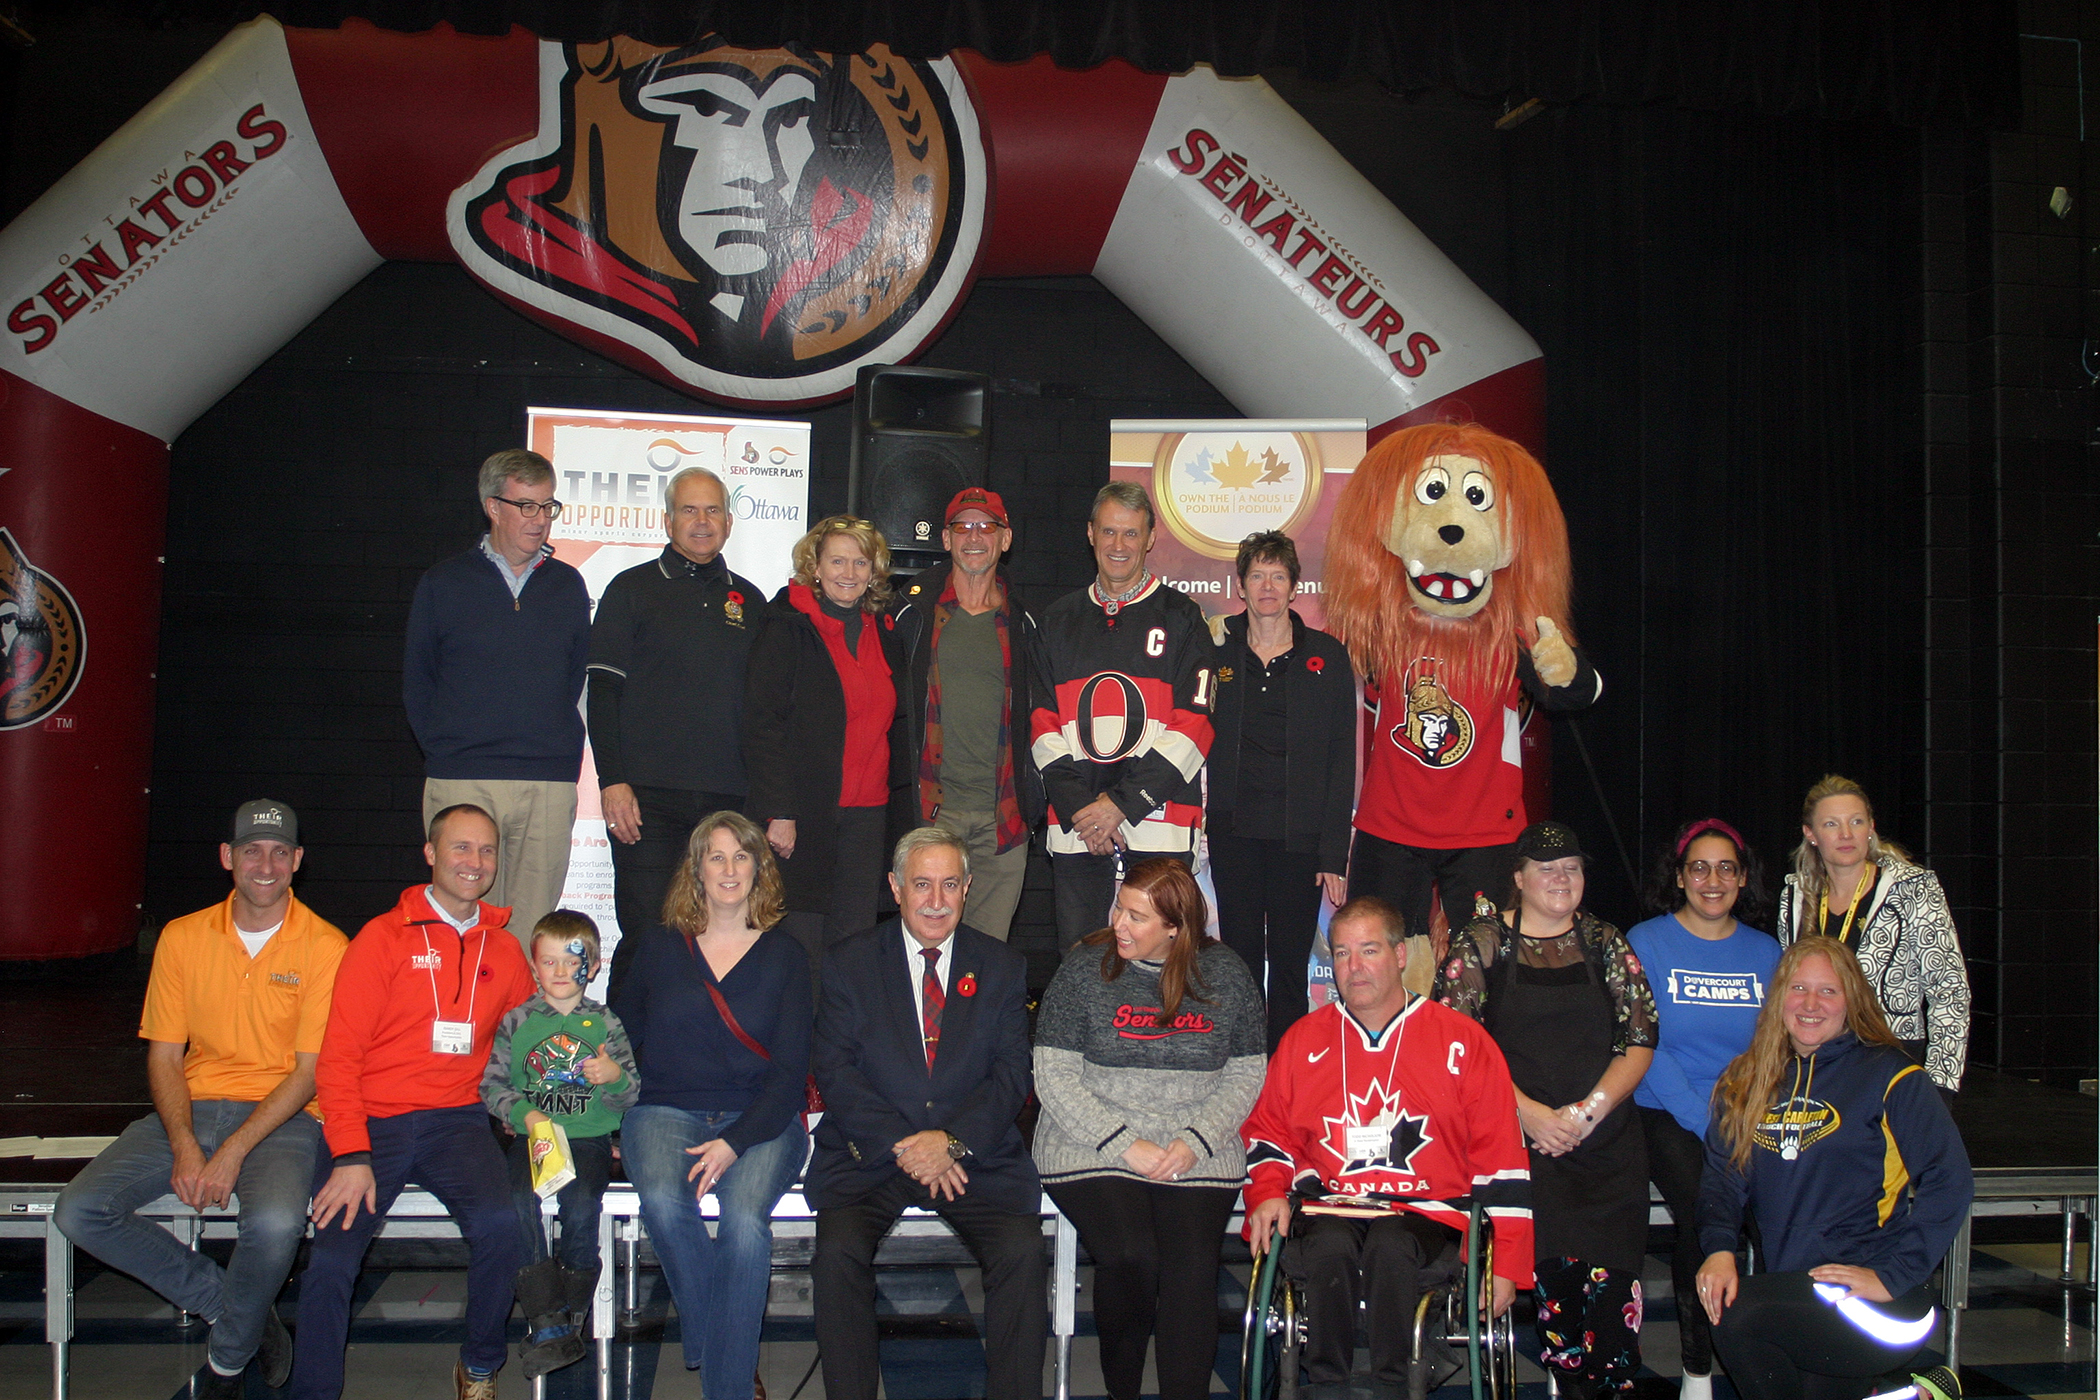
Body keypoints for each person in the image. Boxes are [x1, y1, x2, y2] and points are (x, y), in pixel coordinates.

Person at [55, 801, 347, 1399]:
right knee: (78, 1210)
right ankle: (238, 1308)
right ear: (227, 857)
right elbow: (163, 1057)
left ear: (297, 861)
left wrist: (234, 1150)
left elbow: (309, 1073)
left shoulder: (326, 945)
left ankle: (225, 1363)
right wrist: (186, 1144)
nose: (264, 864)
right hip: (187, 1111)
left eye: (278, 852)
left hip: (281, 1120)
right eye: (250, 850)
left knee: (274, 1222)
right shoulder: (183, 936)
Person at [291, 804, 537, 1400]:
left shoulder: (504, 952)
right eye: (460, 848)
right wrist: (350, 1154)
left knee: (503, 1230)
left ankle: (479, 1366)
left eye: (485, 851)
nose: (474, 863)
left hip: (457, 1123)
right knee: (330, 1261)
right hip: (374, 1122)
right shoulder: (380, 939)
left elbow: (527, 1052)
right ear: (430, 853)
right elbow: (339, 1059)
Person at [1240, 897, 1532, 1389]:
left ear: (1400, 956)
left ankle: (1396, 1386)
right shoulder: (1303, 1039)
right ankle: (1326, 1386)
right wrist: (1268, 1190)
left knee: (1392, 1247)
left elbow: (1501, 1157)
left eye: (1369, 950)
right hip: (1330, 1207)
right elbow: (1269, 1132)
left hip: (1428, 1214)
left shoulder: (1460, 1039)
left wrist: (1505, 1262)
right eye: (1341, 953)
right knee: (1330, 1247)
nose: (1353, 968)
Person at [810, 828, 1046, 1400]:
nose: (936, 900)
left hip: (970, 1159)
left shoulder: (1003, 966)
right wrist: (907, 1145)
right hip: (873, 1158)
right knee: (837, 1254)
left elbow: (1012, 1074)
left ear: (968, 888)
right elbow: (836, 1071)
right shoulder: (848, 964)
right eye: (921, 884)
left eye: (949, 884)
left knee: (1022, 1254)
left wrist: (952, 1142)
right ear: (895, 887)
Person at [1434, 821, 1657, 1399]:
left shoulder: (1607, 941)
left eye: (1572, 868)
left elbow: (1640, 1040)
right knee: (1561, 1323)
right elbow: (1455, 1047)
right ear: (1518, 878)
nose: (1562, 879)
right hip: (1522, 1157)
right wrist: (1528, 1114)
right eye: (1547, 869)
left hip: (1606, 1152)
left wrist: (1587, 1114)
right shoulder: (1481, 944)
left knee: (1614, 1325)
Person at [1695, 937, 1973, 1400]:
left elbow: (1951, 1180)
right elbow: (1721, 1182)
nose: (1810, 1004)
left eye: (1828, 991)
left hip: (1877, 1300)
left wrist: (1893, 1275)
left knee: (1738, 1313)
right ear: (1778, 997)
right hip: (1798, 1296)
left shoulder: (1892, 1075)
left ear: (1852, 1001)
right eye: (1798, 988)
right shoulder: (1746, 1080)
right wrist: (1719, 1249)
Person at [1032, 859, 1266, 1400]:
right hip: (1088, 1141)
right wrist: (1123, 1144)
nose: (1119, 924)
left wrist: (1197, 1141)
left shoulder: (1226, 972)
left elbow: (1247, 1070)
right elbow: (1053, 1074)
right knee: (1132, 1255)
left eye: (1137, 917)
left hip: (1196, 1144)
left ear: (1176, 929)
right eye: (1120, 907)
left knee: (1190, 1265)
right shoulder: (1085, 966)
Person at [610, 811, 811, 1400]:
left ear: (759, 868)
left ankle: (722, 1381)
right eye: (716, 857)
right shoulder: (656, 947)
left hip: (762, 1118)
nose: (729, 869)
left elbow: (790, 1076)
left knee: (746, 1224)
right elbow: (624, 1042)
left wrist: (734, 1142)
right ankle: (719, 1337)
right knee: (663, 1201)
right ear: (696, 869)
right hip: (664, 1110)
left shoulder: (786, 957)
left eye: (741, 856)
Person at [403, 448, 591, 954]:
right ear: (492, 506)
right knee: (456, 929)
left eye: (548, 506)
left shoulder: (569, 586)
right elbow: (417, 681)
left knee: (530, 939)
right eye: (526, 506)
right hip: (461, 777)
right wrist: (448, 750)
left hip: (545, 783)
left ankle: (517, 1036)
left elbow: (573, 680)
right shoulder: (443, 583)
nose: (539, 520)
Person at [590, 465, 765, 1001]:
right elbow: (602, 694)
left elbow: (769, 714)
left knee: (722, 942)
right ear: (668, 520)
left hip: (729, 808)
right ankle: (623, 1067)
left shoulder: (753, 603)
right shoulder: (631, 589)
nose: (701, 520)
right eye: (689, 509)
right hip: (648, 803)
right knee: (648, 935)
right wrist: (613, 781)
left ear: (730, 523)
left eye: (712, 509)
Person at [1625, 819, 1782, 1400]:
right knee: (1704, 1203)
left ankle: (1774, 1349)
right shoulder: (1646, 942)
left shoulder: (1765, 952)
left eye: (1725, 868)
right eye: (1698, 867)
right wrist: (1706, 1119)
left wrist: (1748, 1113)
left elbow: (1775, 1044)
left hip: (1748, 1111)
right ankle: (1697, 1369)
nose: (1711, 880)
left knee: (1781, 1205)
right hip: (1667, 1109)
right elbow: (1648, 1044)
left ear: (1742, 878)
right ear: (1679, 876)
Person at [1031, 481, 1215, 949]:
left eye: (1131, 534)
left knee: (1160, 967)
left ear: (1150, 538)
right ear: (1090, 533)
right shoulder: (1057, 619)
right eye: (1109, 532)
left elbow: (1196, 725)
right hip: (1078, 829)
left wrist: (1120, 806)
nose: (1119, 546)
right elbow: (1039, 724)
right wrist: (1082, 810)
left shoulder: (1183, 616)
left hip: (1161, 820)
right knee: (1082, 963)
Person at [1205, 530, 1355, 1050]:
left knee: (1291, 967)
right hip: (1232, 834)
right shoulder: (1215, 649)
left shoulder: (1327, 657)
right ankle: (1245, 1077)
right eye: (1256, 576)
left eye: (1278, 576)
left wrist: (1334, 852)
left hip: (1301, 842)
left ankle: (1289, 1079)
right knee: (1239, 966)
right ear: (1241, 586)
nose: (1267, 586)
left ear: (1294, 587)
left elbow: (1343, 760)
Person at [744, 514, 909, 981]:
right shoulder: (786, 626)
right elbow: (762, 724)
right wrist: (779, 809)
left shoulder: (886, 631)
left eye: (861, 562)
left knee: (853, 950)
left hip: (867, 817)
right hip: (802, 815)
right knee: (800, 949)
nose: (849, 573)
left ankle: (841, 1053)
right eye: (837, 560)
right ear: (814, 566)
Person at [480, 910, 640, 1378]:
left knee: (584, 1203)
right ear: (534, 967)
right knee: (515, 1201)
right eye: (549, 963)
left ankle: (570, 1311)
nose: (561, 973)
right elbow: (490, 1087)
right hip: (533, 1140)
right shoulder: (517, 1021)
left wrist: (613, 1077)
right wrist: (524, 1114)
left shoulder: (606, 1023)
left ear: (591, 967)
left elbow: (633, 1094)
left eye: (572, 963)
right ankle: (545, 1318)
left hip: (589, 1140)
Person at [891, 486, 1045, 942]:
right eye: (963, 527)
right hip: (934, 815)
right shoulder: (910, 612)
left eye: (986, 526)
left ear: (1005, 538)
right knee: (927, 954)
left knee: (986, 961)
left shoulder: (1027, 622)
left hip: (1004, 817)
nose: (974, 537)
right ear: (945, 538)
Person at [1776, 774, 1971, 1097]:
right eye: (1831, 825)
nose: (1846, 834)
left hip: (1892, 1057)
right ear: (1811, 834)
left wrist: (1940, 1085)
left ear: (1871, 827)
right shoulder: (1796, 896)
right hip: (1817, 1059)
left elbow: (1949, 991)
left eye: (1856, 821)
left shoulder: (1913, 889)